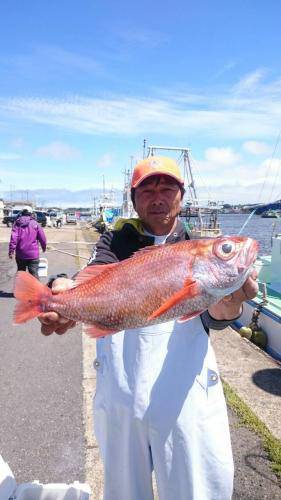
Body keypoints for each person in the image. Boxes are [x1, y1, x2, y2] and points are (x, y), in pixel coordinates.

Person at [38, 156, 258, 500]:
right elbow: (95, 273)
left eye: (167, 187)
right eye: (147, 190)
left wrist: (230, 304)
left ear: (181, 196)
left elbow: (213, 312)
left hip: (185, 396)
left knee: (194, 488)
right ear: (134, 199)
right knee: (125, 490)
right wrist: (61, 287)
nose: (158, 197)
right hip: (122, 392)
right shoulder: (115, 243)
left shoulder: (195, 247)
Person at [9, 206, 47, 279]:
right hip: (33, 255)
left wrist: (11, 251)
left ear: (22, 213)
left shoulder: (17, 223)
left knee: (21, 274)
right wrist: (44, 247)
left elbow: (13, 239)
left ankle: (20, 290)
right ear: (31, 213)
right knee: (34, 275)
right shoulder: (35, 223)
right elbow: (42, 238)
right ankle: (36, 290)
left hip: (20, 254)